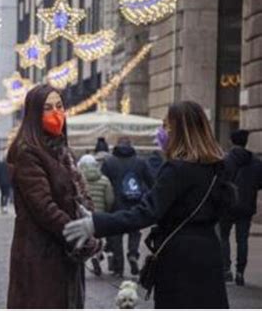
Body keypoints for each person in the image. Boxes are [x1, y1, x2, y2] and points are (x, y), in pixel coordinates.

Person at [64, 101, 231, 308]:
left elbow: (146, 212)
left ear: (180, 130)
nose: (162, 132)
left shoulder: (176, 169)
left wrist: (96, 224)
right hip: (209, 253)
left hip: (179, 258)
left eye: (166, 126)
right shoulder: (218, 168)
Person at [6, 84, 101, 309]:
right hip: (40, 256)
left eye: (59, 106)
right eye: (48, 108)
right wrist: (78, 235)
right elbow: (44, 208)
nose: (56, 113)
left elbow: (79, 196)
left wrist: (89, 221)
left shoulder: (62, 150)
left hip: (65, 257)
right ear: (34, 114)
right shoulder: (27, 151)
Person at [101, 136, 154, 277]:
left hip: (116, 205)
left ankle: (119, 268)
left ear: (117, 146)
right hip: (135, 204)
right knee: (134, 232)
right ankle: (133, 254)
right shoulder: (140, 162)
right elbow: (153, 184)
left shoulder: (109, 162)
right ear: (131, 145)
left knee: (116, 236)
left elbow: (103, 184)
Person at [220, 129, 262, 286]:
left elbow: (219, 182)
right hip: (246, 205)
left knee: (223, 237)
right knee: (242, 240)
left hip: (227, 205)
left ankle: (226, 270)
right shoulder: (256, 162)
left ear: (231, 141)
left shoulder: (224, 160)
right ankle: (240, 272)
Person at [78, 154, 114, 276]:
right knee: (101, 238)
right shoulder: (104, 180)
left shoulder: (80, 180)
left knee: (88, 237)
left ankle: (90, 256)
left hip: (85, 214)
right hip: (101, 214)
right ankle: (98, 256)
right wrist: (107, 211)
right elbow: (109, 199)